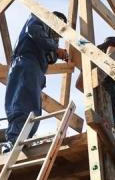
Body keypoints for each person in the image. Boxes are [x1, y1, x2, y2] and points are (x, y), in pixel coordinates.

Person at [4, 12, 69, 150]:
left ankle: (23, 140)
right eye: (59, 26)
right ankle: (14, 141)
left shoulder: (49, 38)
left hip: (36, 69)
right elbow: (33, 30)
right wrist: (55, 48)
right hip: (26, 62)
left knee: (33, 108)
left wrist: (55, 48)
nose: (58, 33)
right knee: (23, 103)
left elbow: (51, 58)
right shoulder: (40, 18)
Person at [96, 36, 115, 121]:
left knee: (105, 117)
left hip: (102, 86)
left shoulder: (97, 53)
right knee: (111, 119)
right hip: (110, 86)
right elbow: (110, 57)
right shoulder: (110, 48)